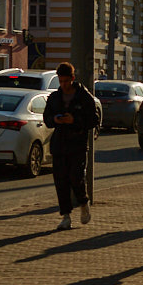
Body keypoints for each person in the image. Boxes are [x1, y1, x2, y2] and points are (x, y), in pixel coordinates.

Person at [43, 61, 98, 230]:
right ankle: (66, 216)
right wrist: (55, 119)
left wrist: (75, 120)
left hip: (77, 144)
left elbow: (93, 120)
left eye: (66, 81)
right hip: (59, 144)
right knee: (61, 182)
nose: (63, 84)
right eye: (61, 81)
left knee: (76, 177)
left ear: (72, 78)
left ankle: (83, 203)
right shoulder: (55, 97)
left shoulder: (83, 96)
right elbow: (47, 118)